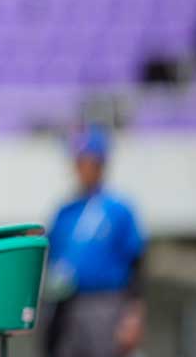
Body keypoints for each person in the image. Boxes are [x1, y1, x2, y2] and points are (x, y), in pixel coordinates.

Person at [43, 127, 147, 357]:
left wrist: (133, 314)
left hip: (106, 304)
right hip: (66, 305)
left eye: (88, 161)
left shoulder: (118, 209)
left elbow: (136, 263)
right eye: (79, 161)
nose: (82, 167)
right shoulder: (65, 211)